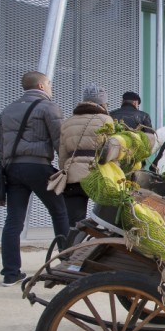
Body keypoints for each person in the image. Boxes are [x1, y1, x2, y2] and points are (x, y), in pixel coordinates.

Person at [0, 71, 69, 286]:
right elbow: (60, 141)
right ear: (40, 85)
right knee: (59, 211)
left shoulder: (7, 110)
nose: (50, 87)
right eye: (49, 84)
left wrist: (6, 164)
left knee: (14, 221)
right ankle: (67, 263)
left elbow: (0, 145)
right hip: (38, 166)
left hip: (12, 168)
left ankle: (11, 273)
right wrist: (66, 168)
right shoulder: (49, 107)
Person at [58, 84, 114, 226]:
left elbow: (62, 156)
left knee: (74, 223)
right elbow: (111, 150)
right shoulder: (106, 120)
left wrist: (66, 172)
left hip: (73, 177)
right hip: (98, 175)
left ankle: (72, 247)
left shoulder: (67, 122)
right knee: (107, 219)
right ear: (103, 103)